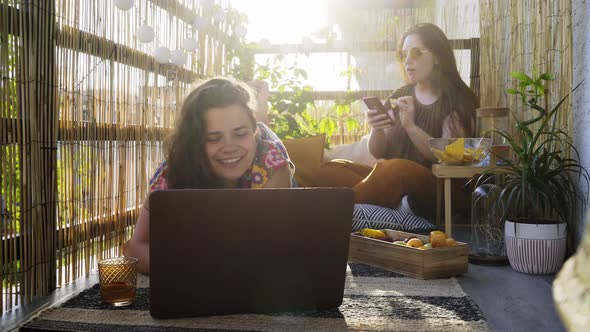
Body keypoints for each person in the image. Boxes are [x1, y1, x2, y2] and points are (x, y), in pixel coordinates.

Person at [125, 77, 294, 273]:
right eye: (213, 138)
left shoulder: (272, 162)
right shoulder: (173, 172)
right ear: (194, 144)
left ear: (253, 132)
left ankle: (260, 112)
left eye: (240, 133)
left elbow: (271, 247)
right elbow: (136, 247)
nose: (229, 147)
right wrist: (191, 264)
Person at [318, 23, 479, 218]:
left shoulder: (458, 101)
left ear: (437, 56)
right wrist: (377, 129)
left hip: (439, 193)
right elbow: (377, 151)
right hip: (397, 186)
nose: (408, 61)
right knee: (330, 169)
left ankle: (333, 217)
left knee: (395, 169)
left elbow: (448, 158)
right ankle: (385, 210)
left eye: (417, 53)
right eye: (404, 55)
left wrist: (410, 127)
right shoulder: (400, 95)